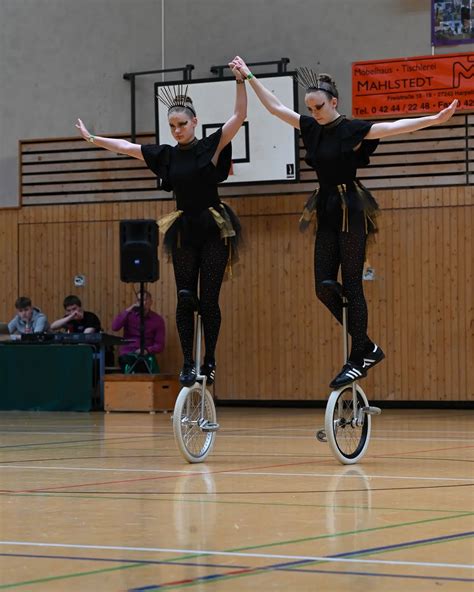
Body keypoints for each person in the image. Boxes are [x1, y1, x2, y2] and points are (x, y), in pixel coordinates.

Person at [231, 56, 458, 388]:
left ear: (334, 101)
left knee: (352, 284)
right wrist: (248, 76)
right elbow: (277, 108)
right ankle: (366, 345)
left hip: (351, 205)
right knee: (323, 286)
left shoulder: (351, 128)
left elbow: (393, 128)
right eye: (310, 108)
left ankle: (358, 355)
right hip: (325, 206)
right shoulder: (311, 127)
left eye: (319, 106)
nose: (314, 113)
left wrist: (434, 120)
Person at [76, 63, 247, 386]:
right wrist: (93, 138)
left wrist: (241, 81)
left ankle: (209, 360)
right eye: (172, 126)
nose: (178, 130)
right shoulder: (166, 156)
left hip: (213, 228)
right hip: (184, 229)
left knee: (208, 300)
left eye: (182, 124)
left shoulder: (210, 146)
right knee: (185, 297)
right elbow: (127, 148)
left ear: (194, 122)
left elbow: (238, 116)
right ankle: (187, 362)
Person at [111, 290, 166, 372]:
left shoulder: (157, 320)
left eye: (145, 300)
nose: (142, 303)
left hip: (147, 354)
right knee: (129, 368)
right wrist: (128, 310)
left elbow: (159, 345)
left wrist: (147, 350)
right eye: (139, 300)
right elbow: (115, 327)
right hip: (128, 353)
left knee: (152, 371)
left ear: (151, 302)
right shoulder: (129, 315)